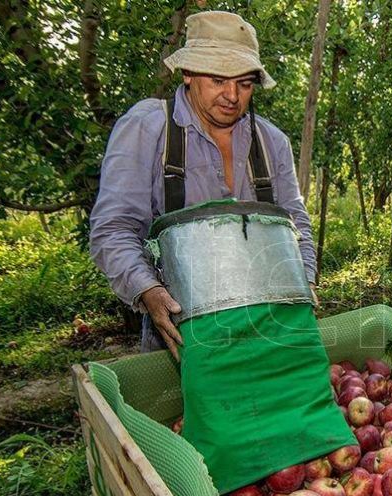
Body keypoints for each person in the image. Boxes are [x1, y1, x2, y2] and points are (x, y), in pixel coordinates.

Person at [89, 11, 318, 359]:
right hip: (183, 332)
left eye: (244, 84)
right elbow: (113, 228)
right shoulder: (148, 128)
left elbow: (294, 224)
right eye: (218, 80)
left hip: (269, 330)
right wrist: (148, 290)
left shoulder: (271, 142)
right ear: (189, 75)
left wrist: (305, 282)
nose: (232, 95)